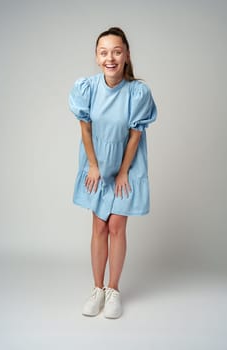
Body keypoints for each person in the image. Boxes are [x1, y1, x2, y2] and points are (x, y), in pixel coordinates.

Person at [69, 27, 157, 319]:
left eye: (117, 51)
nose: (111, 58)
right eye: (104, 52)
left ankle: (114, 289)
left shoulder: (137, 92)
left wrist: (122, 173)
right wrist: (94, 165)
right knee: (99, 227)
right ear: (96, 57)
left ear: (127, 55)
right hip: (97, 164)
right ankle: (97, 290)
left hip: (126, 165)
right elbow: (85, 127)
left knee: (117, 225)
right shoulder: (87, 88)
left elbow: (134, 136)